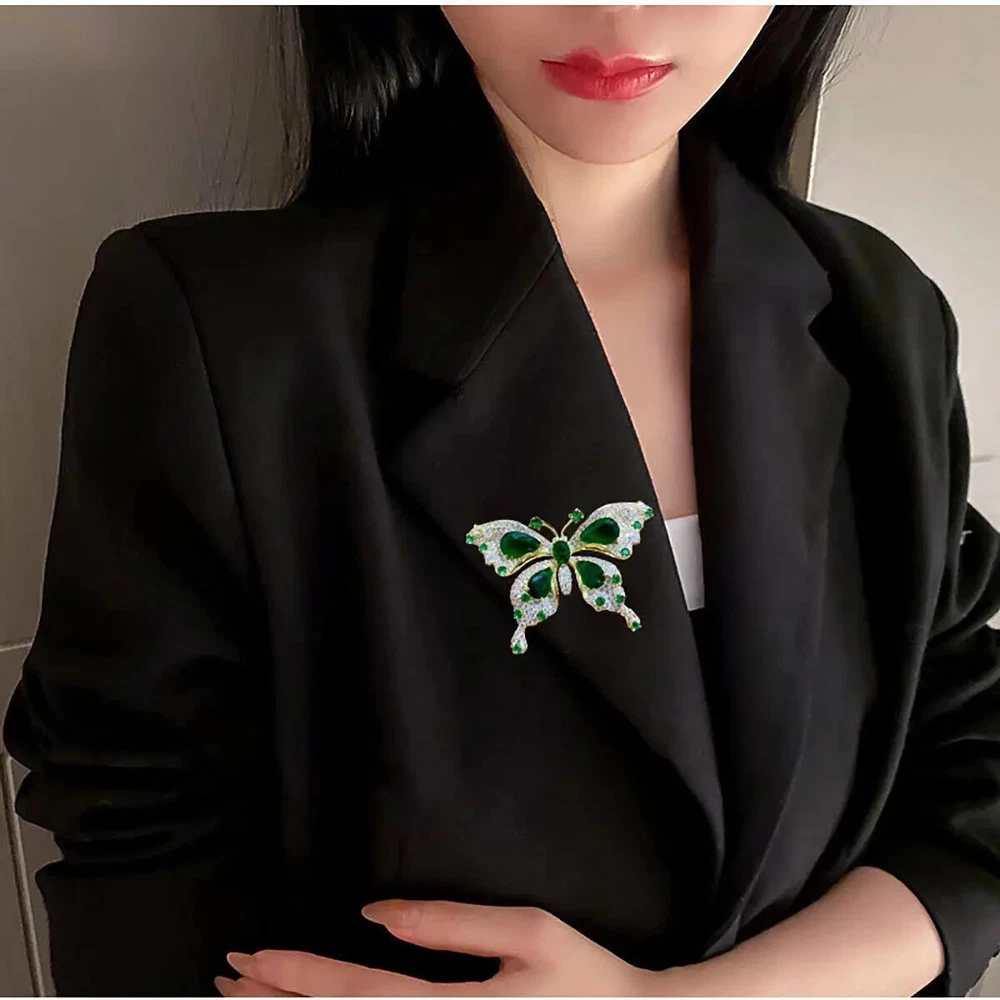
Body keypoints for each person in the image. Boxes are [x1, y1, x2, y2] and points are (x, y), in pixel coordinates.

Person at [6, 5, 1000, 996]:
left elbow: (972, 769)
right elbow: (139, 864)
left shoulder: (878, 309)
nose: (617, 8)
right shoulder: (222, 331)